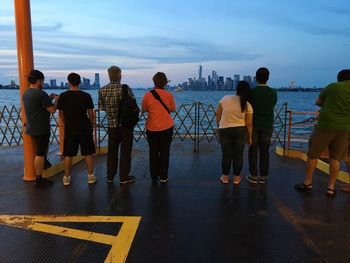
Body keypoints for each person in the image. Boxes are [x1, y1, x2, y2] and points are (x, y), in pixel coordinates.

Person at [295, 69, 350, 197]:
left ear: (339, 78)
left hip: (326, 125)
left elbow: (318, 102)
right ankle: (330, 188)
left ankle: (308, 183)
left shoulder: (333, 86)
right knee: (335, 159)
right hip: (345, 128)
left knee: (313, 155)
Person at [98, 66, 137, 184]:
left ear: (109, 75)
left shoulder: (102, 90)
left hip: (111, 125)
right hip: (126, 125)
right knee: (125, 151)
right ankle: (124, 177)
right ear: (120, 75)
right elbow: (133, 105)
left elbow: (101, 108)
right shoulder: (125, 88)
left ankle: (110, 176)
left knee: (112, 151)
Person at [57, 73, 96, 186]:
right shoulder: (86, 95)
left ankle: (66, 177)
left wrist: (66, 122)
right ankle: (90, 176)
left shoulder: (63, 96)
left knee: (68, 153)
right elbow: (90, 113)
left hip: (70, 128)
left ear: (68, 82)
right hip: (84, 127)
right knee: (88, 153)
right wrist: (92, 124)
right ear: (80, 82)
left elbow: (61, 113)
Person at [22, 69, 58, 185]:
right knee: (40, 153)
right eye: (42, 81)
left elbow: (38, 106)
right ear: (38, 80)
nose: (42, 83)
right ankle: (39, 178)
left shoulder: (26, 93)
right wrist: (56, 100)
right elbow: (52, 110)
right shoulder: (40, 94)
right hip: (41, 128)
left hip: (31, 127)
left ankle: (43, 166)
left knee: (40, 151)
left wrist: (49, 98)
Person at [216, 81, 253, 185]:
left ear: (236, 89)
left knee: (226, 154)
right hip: (240, 131)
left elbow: (218, 114)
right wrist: (250, 137)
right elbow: (249, 123)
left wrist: (218, 125)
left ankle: (225, 177)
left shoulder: (225, 98)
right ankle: (236, 178)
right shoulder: (247, 104)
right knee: (238, 155)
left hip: (224, 130)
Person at [142, 72, 176, 184]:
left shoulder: (147, 95)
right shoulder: (169, 95)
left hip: (152, 128)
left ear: (154, 82)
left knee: (153, 152)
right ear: (165, 83)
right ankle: (163, 176)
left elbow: (144, 109)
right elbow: (172, 109)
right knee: (165, 152)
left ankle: (153, 175)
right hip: (167, 127)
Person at [246, 67, 277, 184]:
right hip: (268, 125)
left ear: (256, 78)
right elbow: (272, 105)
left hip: (253, 125)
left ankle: (253, 175)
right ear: (268, 78)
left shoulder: (252, 93)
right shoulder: (273, 92)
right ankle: (264, 176)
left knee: (252, 150)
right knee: (265, 151)